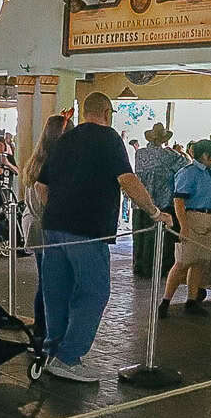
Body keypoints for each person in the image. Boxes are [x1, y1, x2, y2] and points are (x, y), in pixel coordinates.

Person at [34, 91, 167, 382]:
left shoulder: (65, 139)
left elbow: (41, 186)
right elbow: (127, 180)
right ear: (107, 113)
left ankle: (53, 350)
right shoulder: (109, 139)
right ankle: (68, 357)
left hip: (53, 227)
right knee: (94, 292)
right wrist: (154, 212)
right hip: (87, 230)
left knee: (56, 291)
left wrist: (58, 210)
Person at [161, 139, 211, 317]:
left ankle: (192, 301)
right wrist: (184, 226)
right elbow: (178, 201)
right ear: (205, 155)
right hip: (194, 217)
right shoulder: (188, 173)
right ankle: (165, 302)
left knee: (200, 261)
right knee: (183, 262)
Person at [22, 114, 68, 345]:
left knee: (46, 279)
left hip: (34, 223)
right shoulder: (52, 161)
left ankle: (44, 327)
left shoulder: (37, 158)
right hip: (45, 226)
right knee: (48, 281)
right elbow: (45, 196)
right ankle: (43, 330)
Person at [132, 122, 186, 278]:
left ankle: (139, 266)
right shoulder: (169, 155)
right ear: (164, 140)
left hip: (139, 202)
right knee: (157, 238)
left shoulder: (139, 153)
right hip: (161, 203)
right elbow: (186, 165)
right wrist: (180, 153)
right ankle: (154, 269)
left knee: (139, 236)